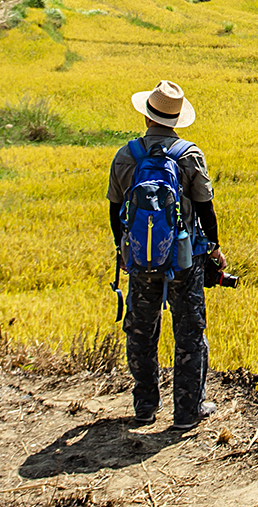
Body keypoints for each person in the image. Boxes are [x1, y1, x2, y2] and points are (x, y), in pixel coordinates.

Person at [108, 79, 227, 429]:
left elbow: (115, 210)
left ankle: (145, 406)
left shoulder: (127, 155)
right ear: (176, 121)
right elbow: (206, 209)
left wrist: (124, 249)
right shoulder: (189, 155)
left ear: (147, 117)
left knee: (142, 330)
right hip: (183, 260)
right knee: (189, 332)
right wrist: (215, 249)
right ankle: (188, 412)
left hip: (140, 259)